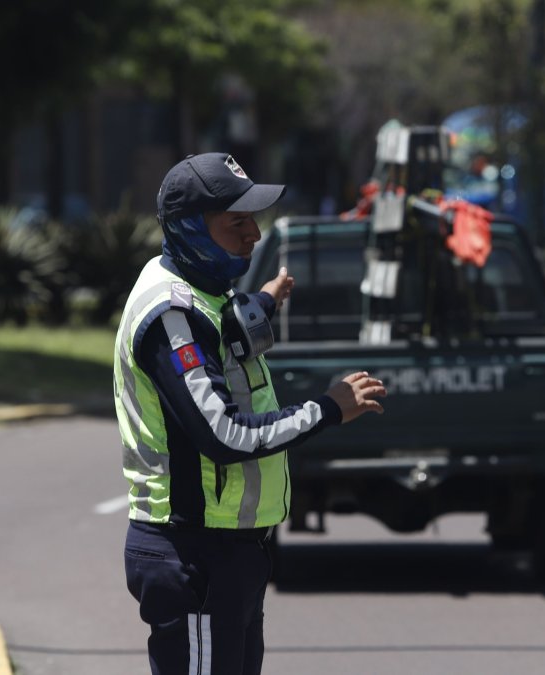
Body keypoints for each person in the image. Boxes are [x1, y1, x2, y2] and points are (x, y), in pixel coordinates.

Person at [113, 152, 387, 675]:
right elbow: (222, 434)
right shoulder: (172, 315)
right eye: (236, 222)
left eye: (253, 219)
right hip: (192, 551)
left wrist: (264, 301)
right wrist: (327, 409)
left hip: (227, 551)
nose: (254, 235)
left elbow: (221, 336)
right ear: (191, 229)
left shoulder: (200, 291)